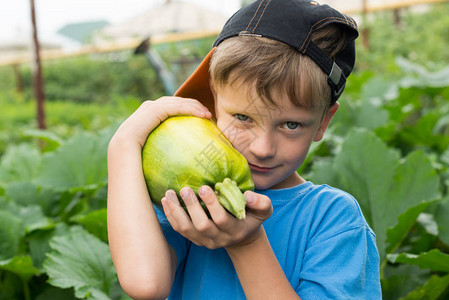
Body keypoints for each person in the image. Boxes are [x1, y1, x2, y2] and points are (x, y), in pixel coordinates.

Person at [107, 0, 382, 299]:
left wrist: (246, 245)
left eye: (291, 125)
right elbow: (146, 284)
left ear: (322, 122)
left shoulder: (333, 219)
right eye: (242, 118)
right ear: (214, 99)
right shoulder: (189, 196)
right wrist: (123, 145)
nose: (263, 149)